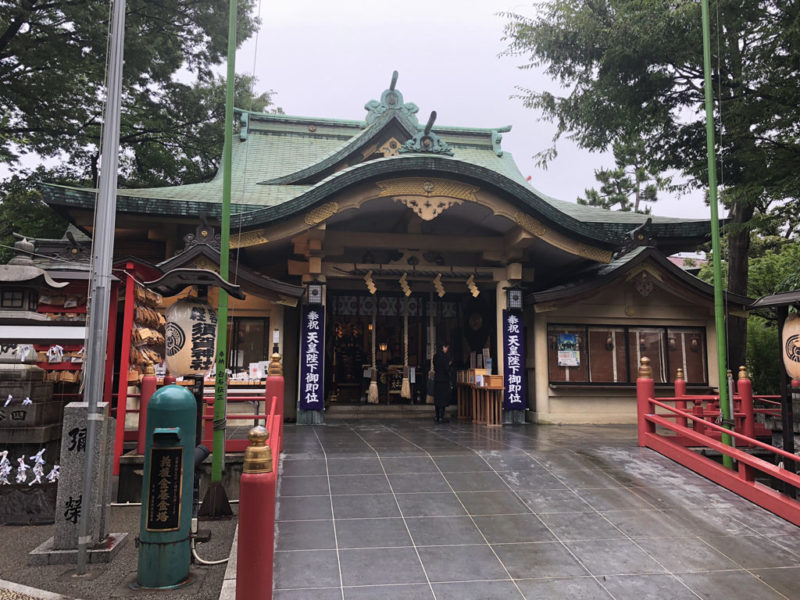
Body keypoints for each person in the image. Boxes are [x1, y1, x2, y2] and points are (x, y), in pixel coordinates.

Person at [433, 342, 452, 423]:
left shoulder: (435, 356)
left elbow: (435, 367)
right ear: (443, 347)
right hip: (444, 380)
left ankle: (437, 416)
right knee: (443, 399)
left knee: (437, 398)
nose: (447, 349)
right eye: (446, 347)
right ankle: (441, 416)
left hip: (437, 379)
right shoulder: (445, 357)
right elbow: (446, 369)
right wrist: (450, 364)